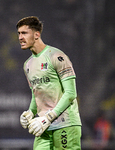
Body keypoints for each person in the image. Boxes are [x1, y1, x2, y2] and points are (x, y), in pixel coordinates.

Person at [16, 16, 82, 150]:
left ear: (36, 35)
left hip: (65, 124)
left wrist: (48, 117)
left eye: (24, 33)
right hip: (43, 127)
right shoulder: (27, 65)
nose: (20, 37)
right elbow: (36, 94)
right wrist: (30, 111)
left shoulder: (57, 56)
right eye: (19, 33)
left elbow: (71, 93)